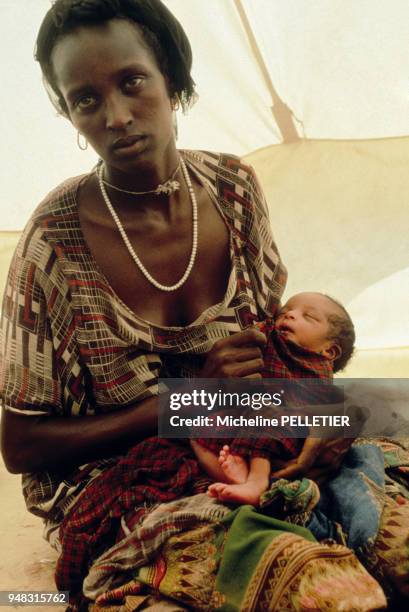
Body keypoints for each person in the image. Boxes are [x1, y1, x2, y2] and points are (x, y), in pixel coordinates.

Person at [0, 1, 407, 609]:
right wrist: (186, 402)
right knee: (320, 590)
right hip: (128, 476)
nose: (116, 116)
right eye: (85, 100)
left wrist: (310, 416)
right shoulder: (53, 245)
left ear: (171, 76)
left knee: (393, 515)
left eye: (132, 82)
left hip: (249, 431)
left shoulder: (234, 191)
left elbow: (268, 358)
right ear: (70, 114)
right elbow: (21, 447)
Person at [191, 291, 356, 506]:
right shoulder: (270, 339)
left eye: (308, 317)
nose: (289, 315)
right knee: (196, 431)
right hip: (244, 426)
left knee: (267, 412)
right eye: (285, 311)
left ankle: (256, 482)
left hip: (284, 432)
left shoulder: (319, 372)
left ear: (330, 351)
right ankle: (232, 477)